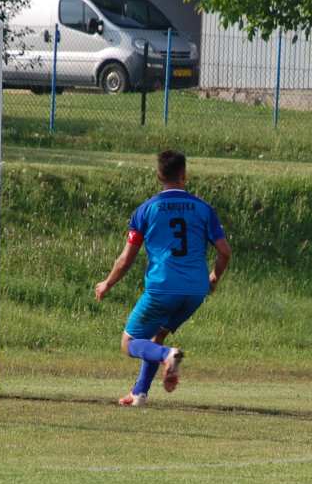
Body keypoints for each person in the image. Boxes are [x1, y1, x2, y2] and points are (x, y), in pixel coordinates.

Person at [95, 150, 231, 407]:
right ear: (184, 175)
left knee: (130, 343)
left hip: (162, 288)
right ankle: (139, 394)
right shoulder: (203, 209)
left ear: (159, 175)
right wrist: (213, 277)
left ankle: (168, 356)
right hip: (194, 291)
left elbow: (126, 259)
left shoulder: (146, 210)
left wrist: (107, 283)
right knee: (156, 337)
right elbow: (224, 251)